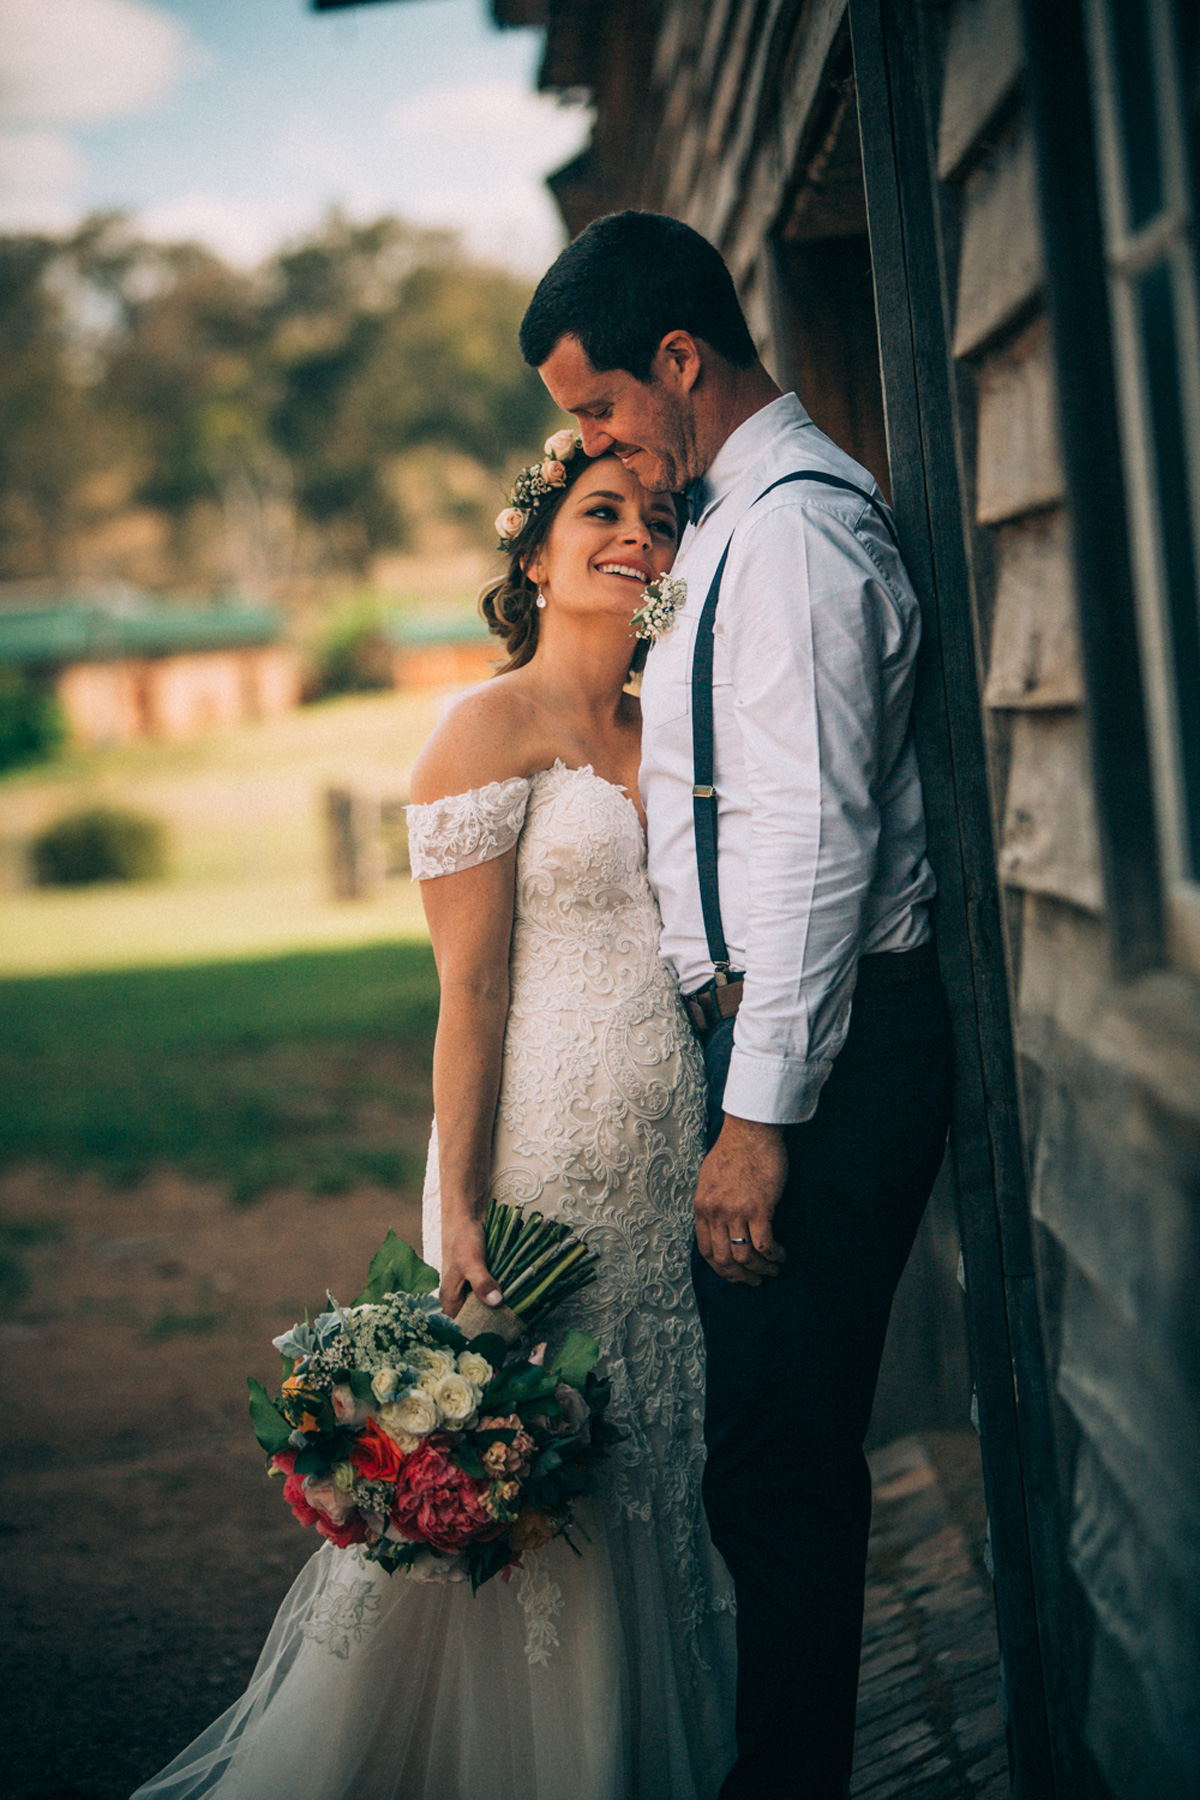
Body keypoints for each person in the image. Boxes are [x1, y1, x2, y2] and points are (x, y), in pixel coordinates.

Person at [130, 441, 736, 1800]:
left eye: (653, 517)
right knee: (539, 1499)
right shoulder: (480, 731)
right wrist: (458, 1213)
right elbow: (469, 995)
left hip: (668, 1183)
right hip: (534, 1189)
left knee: (657, 1480)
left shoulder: (670, 721)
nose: (635, 533)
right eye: (600, 513)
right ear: (531, 556)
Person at [519, 210, 954, 1800]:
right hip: (784, 1043)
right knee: (762, 1459)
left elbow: (818, 835)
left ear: (681, 360)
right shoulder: (738, 521)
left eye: (598, 407)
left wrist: (759, 1116)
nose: (593, 444)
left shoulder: (795, 534)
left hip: (819, 1055)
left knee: (774, 1467)